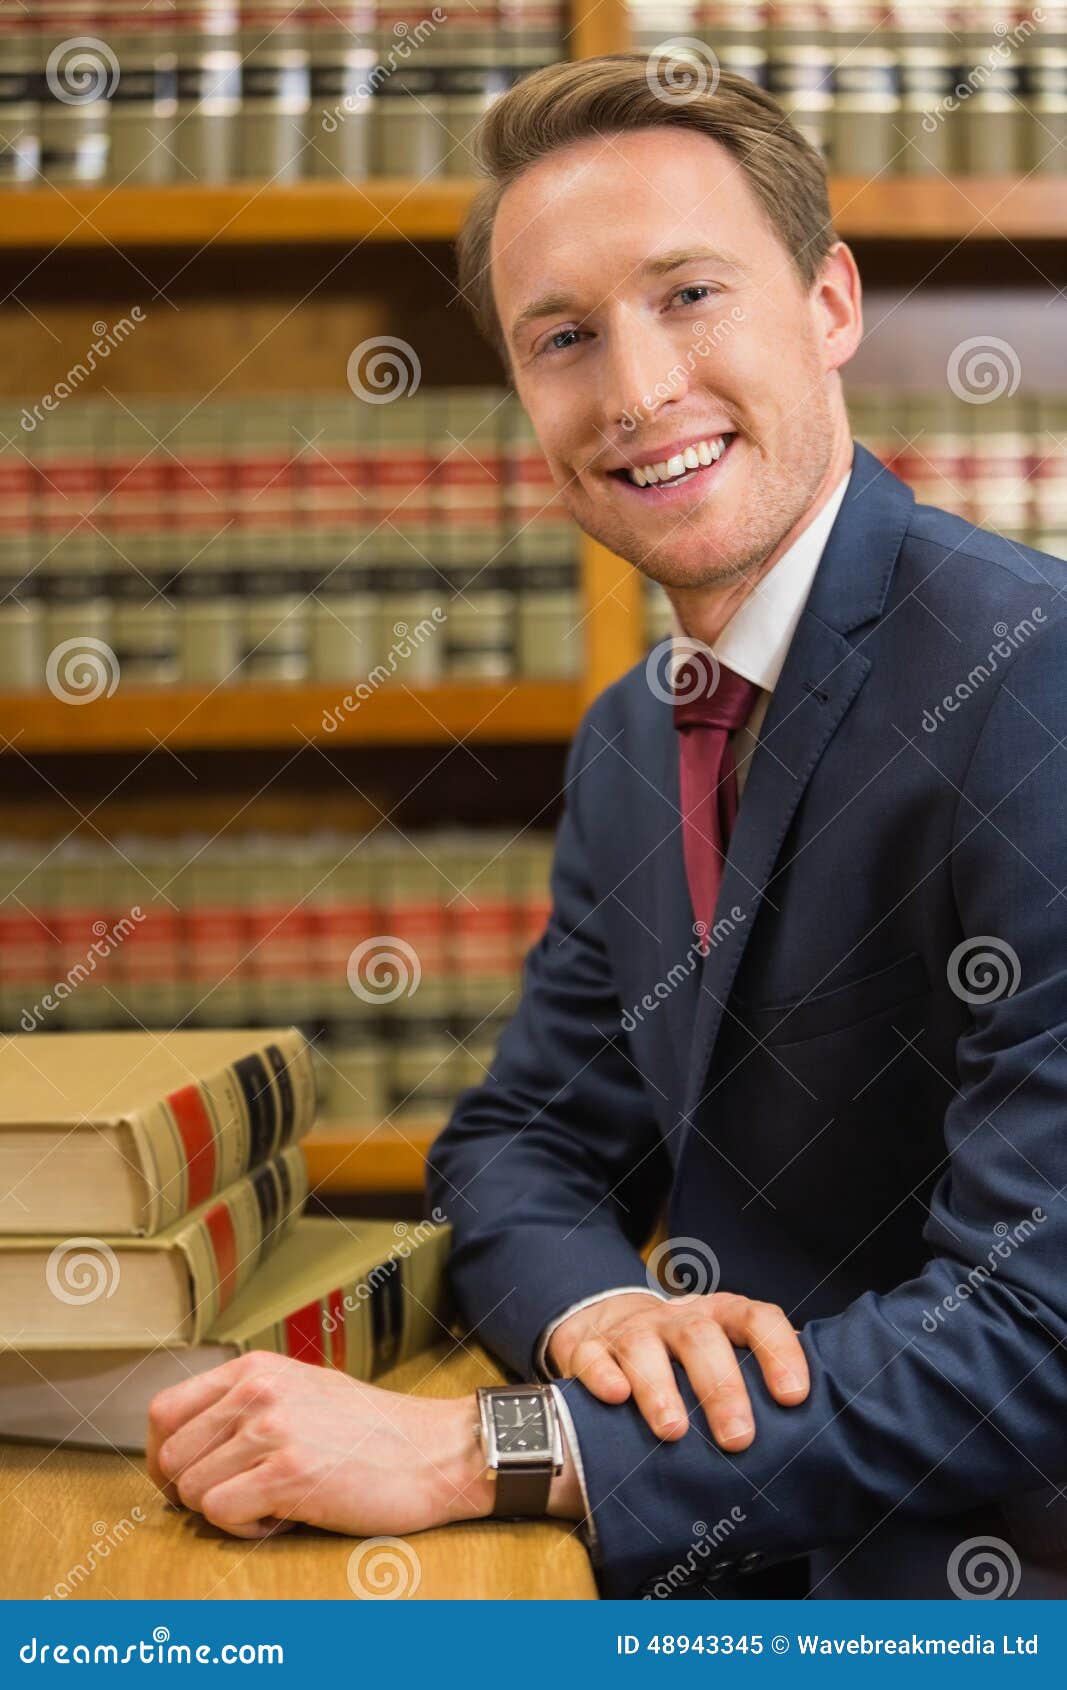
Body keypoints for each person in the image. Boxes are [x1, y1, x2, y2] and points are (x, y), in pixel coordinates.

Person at [148, 52, 1067, 1601]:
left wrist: (493, 1444)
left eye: (689, 295)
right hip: (722, 1569)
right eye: (563, 337)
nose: (635, 392)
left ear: (830, 304)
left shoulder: (1033, 679)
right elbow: (524, 1142)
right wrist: (607, 1318)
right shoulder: (640, 737)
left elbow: (1039, 1332)